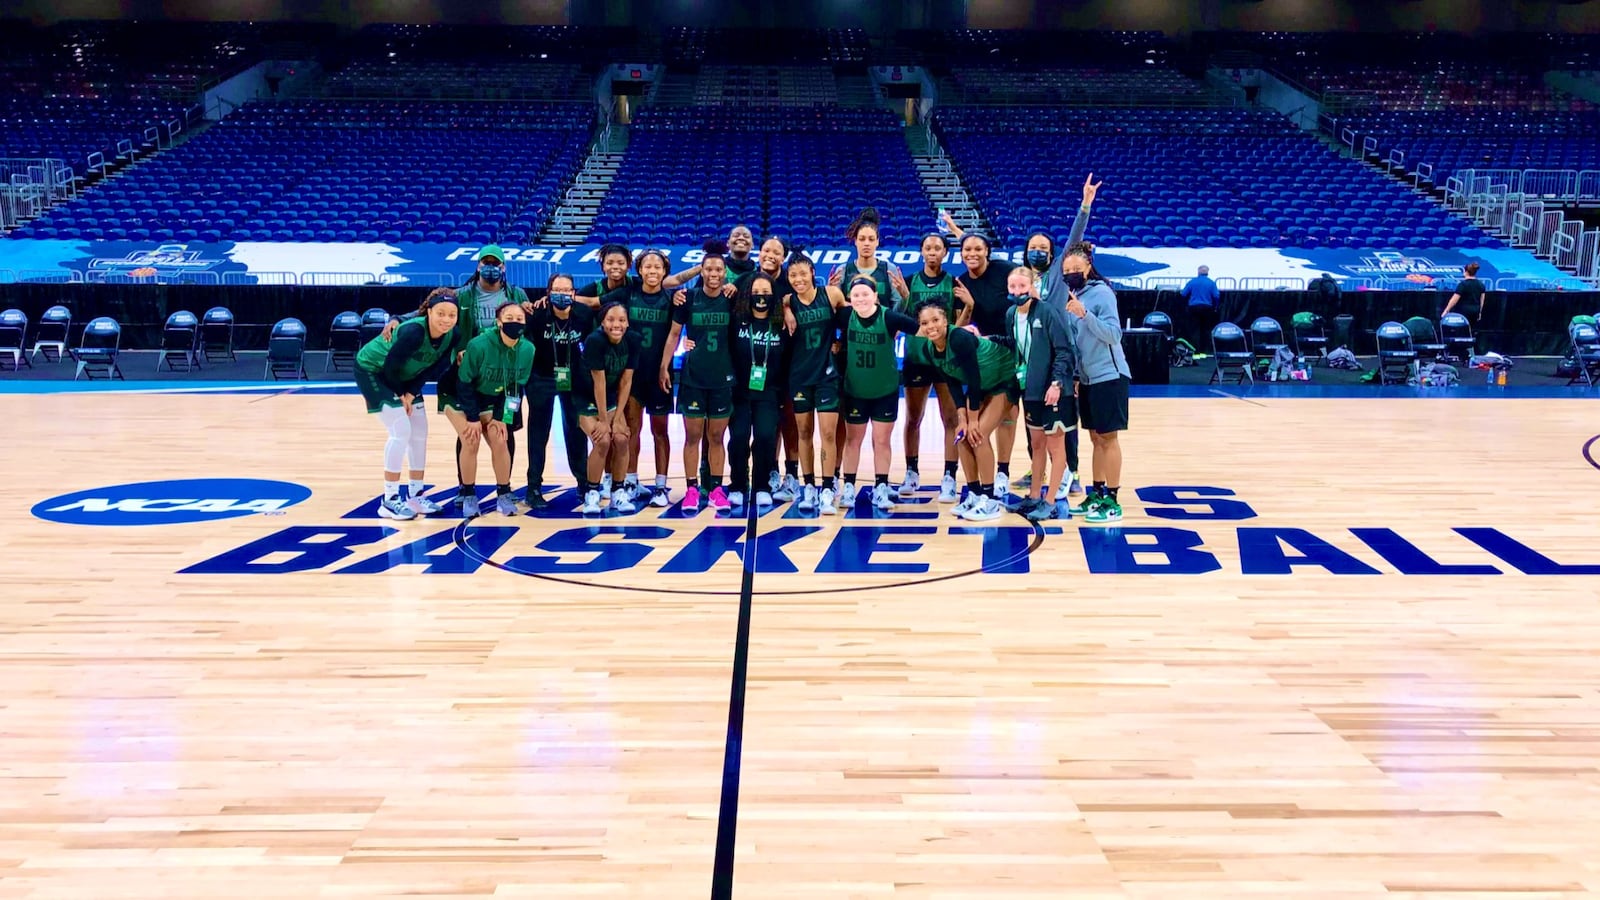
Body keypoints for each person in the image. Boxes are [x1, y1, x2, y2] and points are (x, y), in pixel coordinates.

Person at [353, 289, 464, 520]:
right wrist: (402, 394)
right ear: (429, 312)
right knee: (400, 430)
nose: (446, 319)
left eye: (451, 315)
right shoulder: (414, 331)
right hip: (374, 370)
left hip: (405, 378)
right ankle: (389, 500)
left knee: (420, 432)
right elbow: (390, 367)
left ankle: (415, 495)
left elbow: (434, 368)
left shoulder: (452, 335)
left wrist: (412, 393)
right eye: (441, 313)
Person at [903, 301, 1017, 522]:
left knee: (978, 435)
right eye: (925, 323)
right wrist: (963, 419)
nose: (931, 326)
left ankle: (990, 499)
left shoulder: (959, 339)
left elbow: (973, 380)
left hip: (1003, 380)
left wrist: (972, 420)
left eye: (936, 320)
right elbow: (953, 383)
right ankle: (974, 493)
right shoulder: (929, 348)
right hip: (984, 386)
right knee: (961, 435)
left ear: (946, 321)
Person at [661, 240, 737, 512]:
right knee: (692, 437)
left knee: (717, 438)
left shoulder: (731, 298)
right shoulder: (688, 298)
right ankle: (692, 488)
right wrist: (664, 366)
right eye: (709, 269)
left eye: (719, 269)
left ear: (725, 272)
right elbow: (673, 335)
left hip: (722, 377)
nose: (714, 274)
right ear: (701, 271)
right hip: (693, 377)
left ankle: (716, 488)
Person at [600, 250, 677, 508]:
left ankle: (660, 485)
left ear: (664, 271)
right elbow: (595, 303)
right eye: (647, 266)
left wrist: (665, 367)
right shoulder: (628, 294)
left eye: (657, 267)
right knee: (631, 429)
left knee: (660, 431)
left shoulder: (672, 299)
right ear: (639, 270)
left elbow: (674, 336)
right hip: (631, 374)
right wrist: (568, 297)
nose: (652, 271)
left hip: (658, 375)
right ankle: (631, 480)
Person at [836, 274, 919, 512]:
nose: (860, 298)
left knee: (882, 441)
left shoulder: (889, 317)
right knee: (853, 441)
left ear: (875, 296)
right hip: (855, 391)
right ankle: (849, 486)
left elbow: (920, 329)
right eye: (856, 295)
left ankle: (881, 486)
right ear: (849, 299)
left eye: (865, 294)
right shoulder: (844, 316)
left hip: (885, 390)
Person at [1062, 243, 1130, 524]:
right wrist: (1077, 375)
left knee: (1108, 438)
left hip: (1109, 376)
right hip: (1088, 378)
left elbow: (1114, 335)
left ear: (1088, 267)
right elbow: (1078, 342)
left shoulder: (1102, 293)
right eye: (1067, 270)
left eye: (1076, 269)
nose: (1072, 273)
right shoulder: (1074, 295)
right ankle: (1098, 492)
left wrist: (1084, 314)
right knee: (1095, 438)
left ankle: (1113, 500)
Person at [1003, 267, 1076, 522]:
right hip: (1030, 390)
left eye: (1022, 287)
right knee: (1036, 446)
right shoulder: (1011, 313)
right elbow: (1014, 347)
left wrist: (1057, 384)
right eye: (1013, 287)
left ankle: (1051, 499)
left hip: (1053, 391)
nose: (1017, 292)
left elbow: (1064, 351)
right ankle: (1034, 495)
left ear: (1032, 286)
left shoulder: (1046, 312)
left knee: (1056, 447)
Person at [896, 232, 962, 504]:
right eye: (928, 247)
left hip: (946, 360)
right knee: (913, 418)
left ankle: (949, 476)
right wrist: (905, 297)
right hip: (917, 358)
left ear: (945, 252)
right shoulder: (909, 282)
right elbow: (899, 320)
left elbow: (960, 321)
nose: (932, 251)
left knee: (951, 419)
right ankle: (911, 471)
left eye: (938, 247)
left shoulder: (952, 283)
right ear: (921, 251)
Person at [454, 300, 536, 517]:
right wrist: (472, 417)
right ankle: (469, 494)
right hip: (462, 395)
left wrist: (503, 418)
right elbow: (464, 383)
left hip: (496, 397)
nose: (515, 322)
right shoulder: (478, 345)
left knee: (500, 438)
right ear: (498, 322)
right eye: (509, 318)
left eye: (519, 319)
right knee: (471, 439)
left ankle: (504, 493)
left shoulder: (528, 349)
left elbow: (516, 388)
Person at [521, 274, 594, 510]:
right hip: (541, 377)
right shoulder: (537, 314)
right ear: (548, 292)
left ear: (574, 292)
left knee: (576, 430)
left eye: (567, 290)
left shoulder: (584, 314)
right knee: (538, 432)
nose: (562, 294)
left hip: (573, 378)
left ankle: (583, 483)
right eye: (557, 289)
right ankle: (533, 487)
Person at [783, 252, 847, 515]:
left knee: (829, 434)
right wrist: (786, 309)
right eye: (793, 275)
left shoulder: (831, 294)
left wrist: (841, 342)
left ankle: (828, 487)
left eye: (802, 273)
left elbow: (850, 321)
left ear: (812, 272)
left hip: (827, 374)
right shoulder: (787, 301)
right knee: (804, 434)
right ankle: (808, 484)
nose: (798, 279)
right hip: (799, 375)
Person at [575, 302, 642, 514]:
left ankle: (618, 493)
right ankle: (592, 493)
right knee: (602, 440)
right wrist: (605, 422)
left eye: (621, 320)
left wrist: (618, 416)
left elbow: (626, 381)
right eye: (611, 320)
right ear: (602, 322)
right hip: (585, 396)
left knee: (622, 439)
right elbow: (599, 383)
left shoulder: (633, 340)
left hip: (611, 397)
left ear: (628, 323)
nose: (616, 325)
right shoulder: (595, 341)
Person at [727, 274, 786, 508]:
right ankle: (738, 485)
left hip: (769, 392)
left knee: (765, 437)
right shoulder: (736, 321)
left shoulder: (781, 323)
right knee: (739, 437)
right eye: (756, 291)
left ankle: (761, 484)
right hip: (739, 392)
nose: (761, 296)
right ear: (747, 294)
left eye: (766, 292)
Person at [576, 242, 701, 308]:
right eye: (610, 263)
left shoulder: (636, 283)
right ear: (603, 266)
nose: (615, 267)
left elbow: (675, 280)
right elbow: (588, 302)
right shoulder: (593, 288)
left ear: (629, 265)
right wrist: (567, 297)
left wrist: (701, 267)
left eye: (620, 263)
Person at [1442, 262, 1488, 344]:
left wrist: (1446, 311)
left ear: (1466, 272)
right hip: (1475, 312)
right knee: (1471, 331)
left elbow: (1454, 299)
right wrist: (1480, 312)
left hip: (1463, 312)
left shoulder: (1463, 285)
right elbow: (1482, 301)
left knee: (1461, 332)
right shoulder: (1481, 285)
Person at [1181, 264, 1220, 350]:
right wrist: (1216, 307)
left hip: (1193, 308)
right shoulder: (1211, 283)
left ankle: (1194, 350)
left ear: (1198, 272)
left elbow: (1183, 294)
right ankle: (1203, 351)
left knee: (1194, 330)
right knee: (1205, 330)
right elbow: (1216, 296)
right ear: (1207, 273)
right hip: (1207, 308)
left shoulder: (1192, 282)